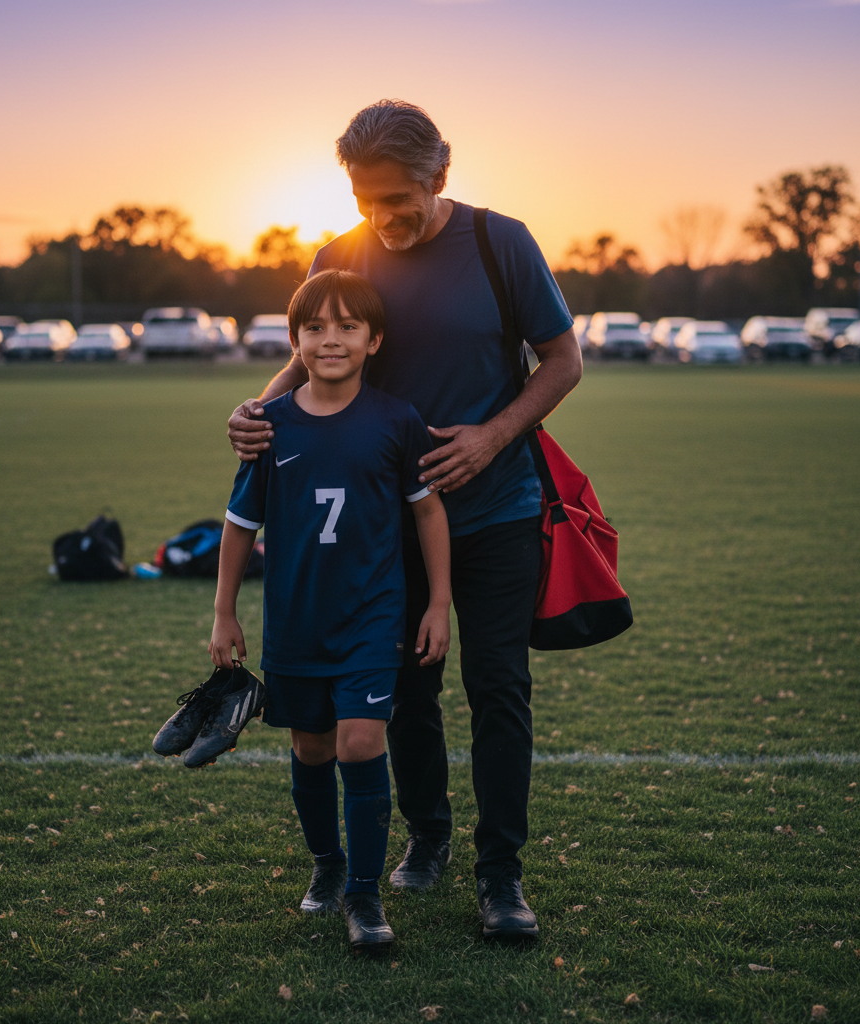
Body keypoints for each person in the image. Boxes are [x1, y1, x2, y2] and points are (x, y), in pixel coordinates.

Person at [227, 100, 582, 941]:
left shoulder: (502, 243)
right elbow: (313, 346)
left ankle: (503, 877)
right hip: (384, 527)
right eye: (361, 198)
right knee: (406, 690)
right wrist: (257, 410)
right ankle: (426, 838)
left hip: (497, 508)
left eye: (396, 199)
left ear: (439, 177)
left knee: (498, 688)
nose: (378, 219)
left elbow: (563, 361)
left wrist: (493, 438)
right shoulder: (339, 255)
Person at [211, 268, 452, 954]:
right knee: (310, 745)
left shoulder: (396, 421)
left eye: (348, 326)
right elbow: (237, 526)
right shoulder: (269, 426)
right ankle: (327, 864)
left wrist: (438, 602)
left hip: (373, 617)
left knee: (360, 740)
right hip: (296, 619)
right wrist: (224, 614)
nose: (331, 340)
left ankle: (366, 897)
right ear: (294, 341)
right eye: (315, 328)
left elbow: (428, 512)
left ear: (375, 339)